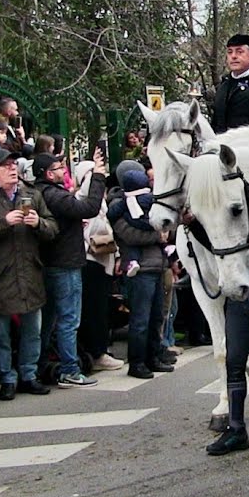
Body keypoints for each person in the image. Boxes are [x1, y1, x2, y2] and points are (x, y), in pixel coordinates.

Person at [0, 148, 59, 399]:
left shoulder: (31, 194)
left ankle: (28, 375)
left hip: (29, 273)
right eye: (5, 166)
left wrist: (39, 223)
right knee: (2, 333)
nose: (12, 169)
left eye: (13, 164)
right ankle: (7, 377)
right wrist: (2, 223)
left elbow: (52, 229)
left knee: (32, 329)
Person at [34, 150, 109, 389]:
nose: (63, 171)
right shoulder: (53, 194)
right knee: (68, 318)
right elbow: (88, 208)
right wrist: (97, 176)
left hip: (53, 263)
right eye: (58, 168)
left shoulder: (42, 193)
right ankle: (69, 369)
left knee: (49, 319)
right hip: (64, 263)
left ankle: (40, 364)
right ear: (47, 173)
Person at [108, 160, 174, 379]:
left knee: (156, 316)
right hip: (140, 269)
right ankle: (137, 362)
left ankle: (153, 356)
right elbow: (129, 235)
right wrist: (158, 235)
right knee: (140, 319)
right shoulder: (119, 206)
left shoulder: (147, 202)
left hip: (157, 264)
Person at [74, 160, 126, 371]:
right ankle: (96, 352)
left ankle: (100, 349)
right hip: (91, 261)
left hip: (104, 261)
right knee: (93, 311)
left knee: (101, 309)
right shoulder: (82, 202)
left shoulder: (101, 204)